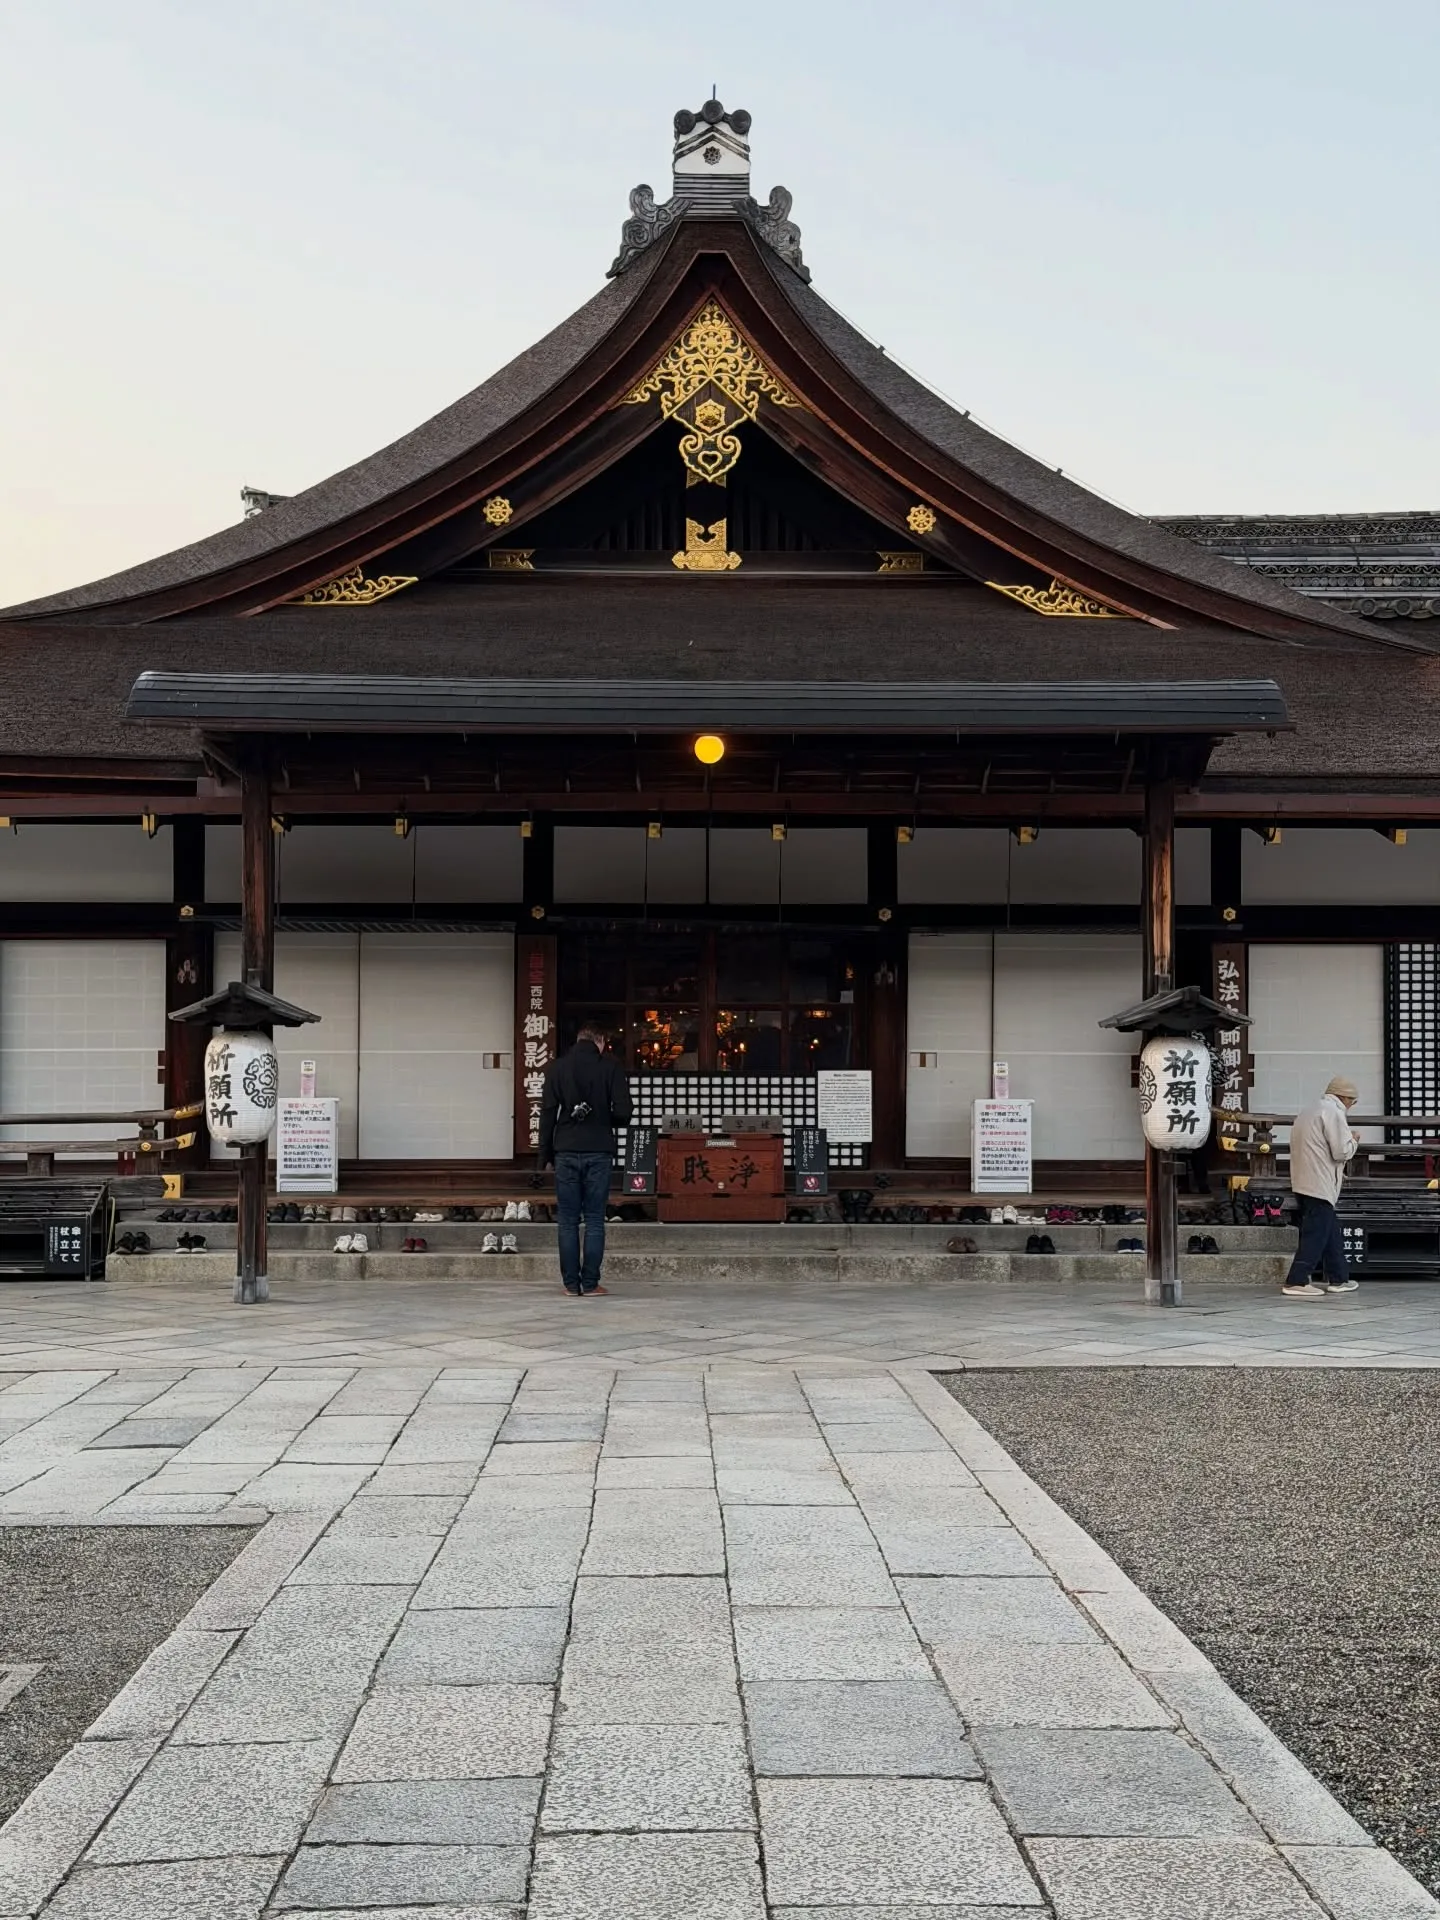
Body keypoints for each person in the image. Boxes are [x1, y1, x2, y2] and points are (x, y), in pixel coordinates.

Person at [538, 1024, 632, 1296]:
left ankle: (570, 1284)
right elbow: (625, 1113)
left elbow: (547, 1113)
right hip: (598, 1150)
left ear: (578, 1040)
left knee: (567, 1220)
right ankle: (590, 1284)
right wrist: (603, 1118)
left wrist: (544, 1154)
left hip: (565, 1149)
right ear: (600, 1041)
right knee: (594, 1218)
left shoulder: (557, 1068)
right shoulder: (610, 1067)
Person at [1281, 1076, 1361, 1298]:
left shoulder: (1310, 1109)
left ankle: (1339, 1278)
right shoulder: (1334, 1112)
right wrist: (1354, 1140)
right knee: (1316, 1233)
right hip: (1319, 1181)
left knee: (1329, 1229)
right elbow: (1341, 1151)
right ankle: (1296, 1280)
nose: (1350, 1107)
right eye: (1352, 1103)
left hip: (1303, 1179)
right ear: (1345, 1098)